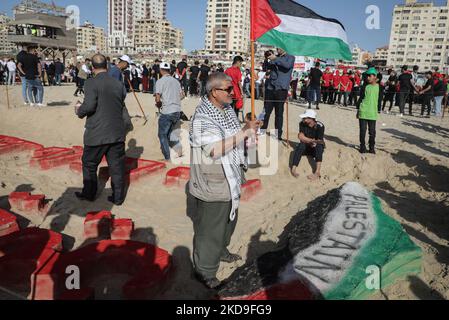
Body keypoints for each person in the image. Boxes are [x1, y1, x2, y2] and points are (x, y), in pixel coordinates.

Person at [188, 72, 261, 289]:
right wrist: (244, 132)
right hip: (213, 181)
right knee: (211, 227)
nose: (233, 93)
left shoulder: (227, 110)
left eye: (233, 88)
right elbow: (214, 149)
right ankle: (205, 271)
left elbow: (232, 136)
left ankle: (220, 250)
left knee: (229, 219)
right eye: (228, 89)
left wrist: (247, 129)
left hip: (232, 175)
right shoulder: (202, 118)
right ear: (213, 92)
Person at [74, 54, 127, 206]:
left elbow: (89, 105)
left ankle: (89, 193)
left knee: (89, 164)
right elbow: (120, 101)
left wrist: (79, 110)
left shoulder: (91, 82)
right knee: (116, 166)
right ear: (107, 65)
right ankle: (118, 198)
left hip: (97, 132)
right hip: (117, 132)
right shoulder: (118, 83)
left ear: (92, 67)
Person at [259, 48, 295, 140]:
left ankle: (277, 135)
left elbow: (287, 65)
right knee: (265, 111)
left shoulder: (290, 57)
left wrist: (275, 58)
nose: (277, 49)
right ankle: (261, 130)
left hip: (281, 89)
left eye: (279, 48)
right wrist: (266, 59)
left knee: (279, 113)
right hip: (270, 88)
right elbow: (265, 68)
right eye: (277, 48)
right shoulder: (275, 57)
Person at [155, 62, 184, 161]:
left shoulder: (160, 81)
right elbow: (182, 95)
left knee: (162, 135)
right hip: (177, 111)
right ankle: (179, 150)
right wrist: (174, 99)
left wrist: (158, 103)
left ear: (161, 70)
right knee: (170, 134)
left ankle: (167, 157)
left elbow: (158, 97)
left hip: (167, 111)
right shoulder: (176, 81)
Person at [290, 109, 325, 181]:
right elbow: (300, 136)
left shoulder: (320, 126)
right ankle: (293, 169)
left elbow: (319, 140)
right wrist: (311, 141)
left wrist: (310, 141)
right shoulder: (302, 123)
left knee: (319, 147)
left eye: (305, 118)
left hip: (315, 148)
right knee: (300, 145)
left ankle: (317, 172)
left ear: (311, 118)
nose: (303, 119)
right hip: (306, 146)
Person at [357, 68, 379, 154]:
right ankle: (362, 147)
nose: (368, 78)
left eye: (370, 76)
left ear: (374, 76)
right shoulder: (364, 86)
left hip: (373, 113)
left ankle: (371, 148)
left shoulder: (379, 86)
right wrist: (358, 110)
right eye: (367, 76)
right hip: (363, 111)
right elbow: (360, 99)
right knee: (362, 131)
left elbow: (380, 100)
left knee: (372, 132)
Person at [225, 56, 244, 120]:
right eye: (240, 63)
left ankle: (229, 121)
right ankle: (235, 121)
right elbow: (239, 82)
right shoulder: (238, 71)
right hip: (236, 92)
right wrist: (242, 92)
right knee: (236, 109)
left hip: (229, 91)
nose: (241, 64)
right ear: (237, 62)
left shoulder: (227, 70)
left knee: (228, 108)